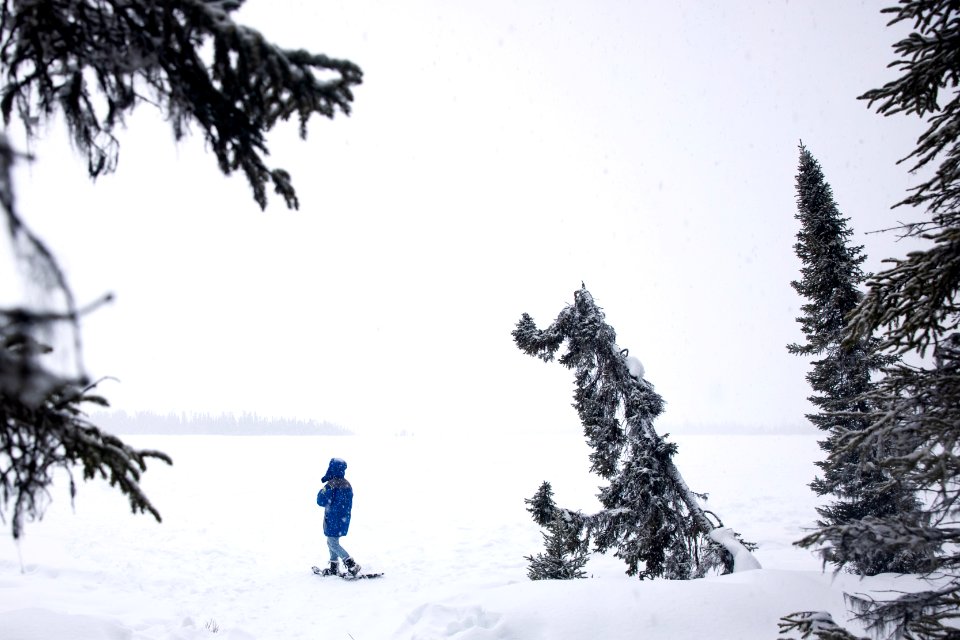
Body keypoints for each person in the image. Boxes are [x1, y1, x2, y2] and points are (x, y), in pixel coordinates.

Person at [316, 457, 362, 577]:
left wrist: (323, 490)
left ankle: (351, 564)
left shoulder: (332, 484)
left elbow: (321, 501)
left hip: (333, 518)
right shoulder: (346, 484)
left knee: (332, 543)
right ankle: (334, 566)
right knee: (331, 541)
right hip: (342, 518)